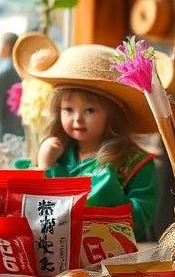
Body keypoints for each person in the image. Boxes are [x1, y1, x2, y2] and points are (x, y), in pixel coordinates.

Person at [14, 34, 159, 238]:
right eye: (68, 109)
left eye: (90, 110)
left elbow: (143, 217)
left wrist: (108, 195)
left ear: (112, 114)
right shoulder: (57, 153)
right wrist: (45, 166)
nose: (77, 119)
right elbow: (29, 209)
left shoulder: (136, 162)